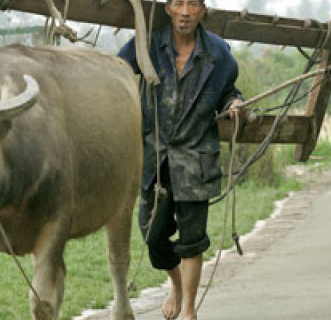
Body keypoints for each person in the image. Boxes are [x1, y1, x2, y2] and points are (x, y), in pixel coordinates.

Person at [118, 1, 244, 320]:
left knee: (192, 239)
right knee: (152, 234)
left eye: (193, 4)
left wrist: (235, 104)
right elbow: (114, 73)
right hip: (154, 159)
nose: (185, 11)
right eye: (178, 3)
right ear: (169, 10)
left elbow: (230, 90)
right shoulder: (146, 45)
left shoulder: (219, 54)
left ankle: (189, 309)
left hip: (196, 158)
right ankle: (175, 282)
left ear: (203, 11)